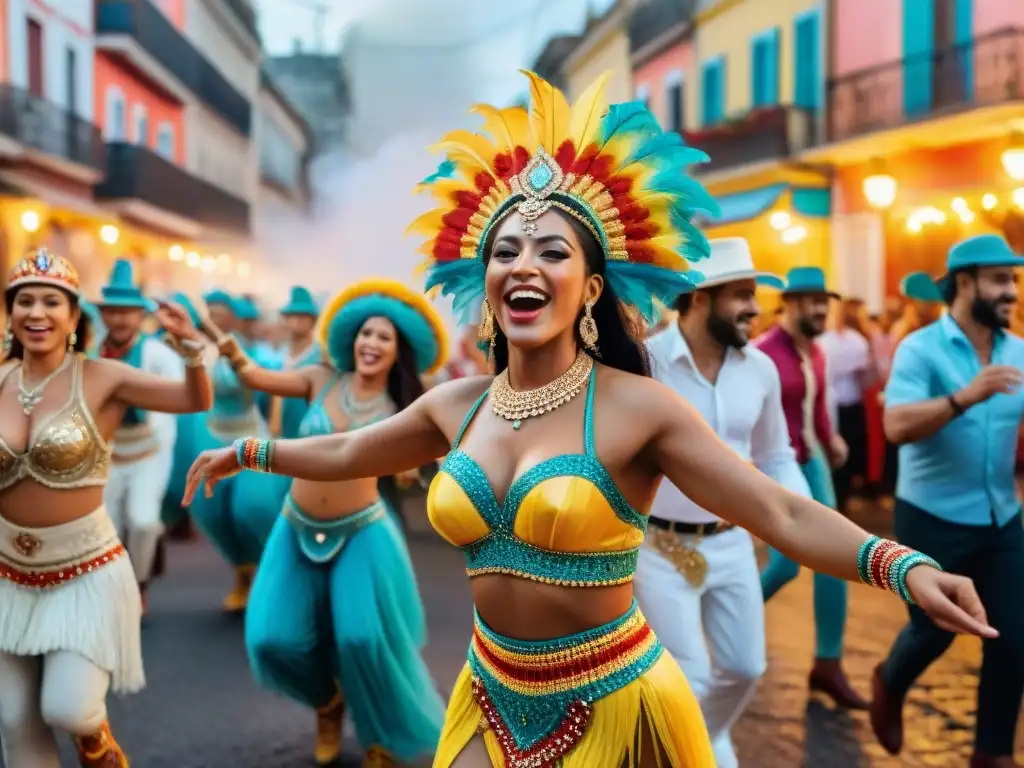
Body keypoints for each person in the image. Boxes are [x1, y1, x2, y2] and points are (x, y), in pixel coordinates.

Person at [184, 72, 994, 768]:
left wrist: (903, 567)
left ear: (594, 290)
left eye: (551, 252)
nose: (523, 265)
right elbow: (353, 447)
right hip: (490, 689)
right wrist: (252, 451)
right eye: (505, 252)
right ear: (488, 284)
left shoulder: (636, 407)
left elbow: (776, 508)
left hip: (614, 702)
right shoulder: (458, 406)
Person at [209, 278, 447, 767]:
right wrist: (222, 343)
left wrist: (418, 469)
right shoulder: (320, 377)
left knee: (362, 639)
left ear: (398, 349)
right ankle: (327, 702)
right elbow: (257, 378)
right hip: (295, 527)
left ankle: (380, 735)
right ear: (350, 340)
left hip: (363, 532)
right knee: (272, 640)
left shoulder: (406, 408)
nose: (371, 343)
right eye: (365, 334)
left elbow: (434, 457)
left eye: (384, 337)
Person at [0, 248, 211, 768]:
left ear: (74, 317)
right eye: (24, 301)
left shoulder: (103, 377)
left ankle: (101, 751)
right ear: (11, 313)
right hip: (7, 573)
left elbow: (193, 401)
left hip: (85, 572)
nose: (36, 313)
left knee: (70, 710)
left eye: (52, 302)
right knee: (14, 723)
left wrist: (191, 350)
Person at [637, 237, 796, 768]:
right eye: (743, 295)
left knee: (746, 666)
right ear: (700, 298)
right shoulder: (646, 362)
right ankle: (700, 755)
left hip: (732, 544)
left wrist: (802, 522)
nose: (756, 308)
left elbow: (777, 456)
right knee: (689, 672)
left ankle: (698, 739)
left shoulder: (761, 370)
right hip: (656, 546)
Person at [874, 235, 1024, 768]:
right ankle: (889, 681)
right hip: (931, 516)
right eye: (1000, 280)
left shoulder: (1018, 350)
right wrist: (966, 396)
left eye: (1014, 280)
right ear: (965, 283)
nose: (1011, 291)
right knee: (934, 632)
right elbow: (895, 425)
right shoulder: (920, 348)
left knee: (1012, 641)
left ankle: (992, 755)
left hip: (1002, 515)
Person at [755, 266, 868, 708]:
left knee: (838, 557)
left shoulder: (815, 352)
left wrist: (830, 437)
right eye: (813, 301)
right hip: (776, 465)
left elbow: (816, 404)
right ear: (792, 304)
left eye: (826, 300)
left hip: (811, 460)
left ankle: (828, 664)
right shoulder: (763, 353)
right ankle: (729, 623)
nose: (823, 309)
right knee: (785, 566)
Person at [189, 290, 290, 612]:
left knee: (251, 509)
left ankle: (272, 575)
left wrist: (274, 423)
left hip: (248, 439)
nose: (214, 318)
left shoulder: (251, 355)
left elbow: (273, 387)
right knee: (213, 513)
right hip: (213, 436)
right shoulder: (205, 354)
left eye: (220, 313)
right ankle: (241, 577)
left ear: (233, 318)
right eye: (210, 312)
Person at [96, 260, 184, 614]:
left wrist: (157, 443)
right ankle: (111, 591)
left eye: (126, 312)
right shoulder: (89, 352)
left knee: (144, 521)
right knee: (108, 526)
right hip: (105, 450)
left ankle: (140, 586)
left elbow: (173, 401)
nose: (119, 320)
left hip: (149, 448)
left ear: (139, 316)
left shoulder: (158, 354)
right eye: (113, 312)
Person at [819, 297, 874, 510]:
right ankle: (838, 496)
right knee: (836, 451)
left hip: (852, 402)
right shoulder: (826, 340)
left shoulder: (856, 339)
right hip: (834, 403)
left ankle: (846, 495)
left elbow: (865, 374)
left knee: (854, 449)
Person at [275, 286, 322, 438]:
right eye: (290, 316)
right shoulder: (280, 354)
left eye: (301, 316)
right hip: (284, 432)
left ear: (312, 320)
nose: (295, 321)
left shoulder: (320, 355)